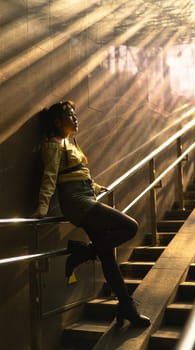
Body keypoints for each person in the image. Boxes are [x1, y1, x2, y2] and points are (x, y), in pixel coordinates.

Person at [32, 100, 150, 327]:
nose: (75, 118)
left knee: (108, 257)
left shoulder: (69, 143)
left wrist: (97, 188)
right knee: (130, 227)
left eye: (75, 114)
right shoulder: (54, 145)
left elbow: (78, 173)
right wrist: (42, 208)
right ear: (57, 121)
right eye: (70, 114)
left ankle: (127, 308)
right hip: (78, 203)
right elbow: (50, 177)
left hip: (86, 198)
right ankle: (84, 253)